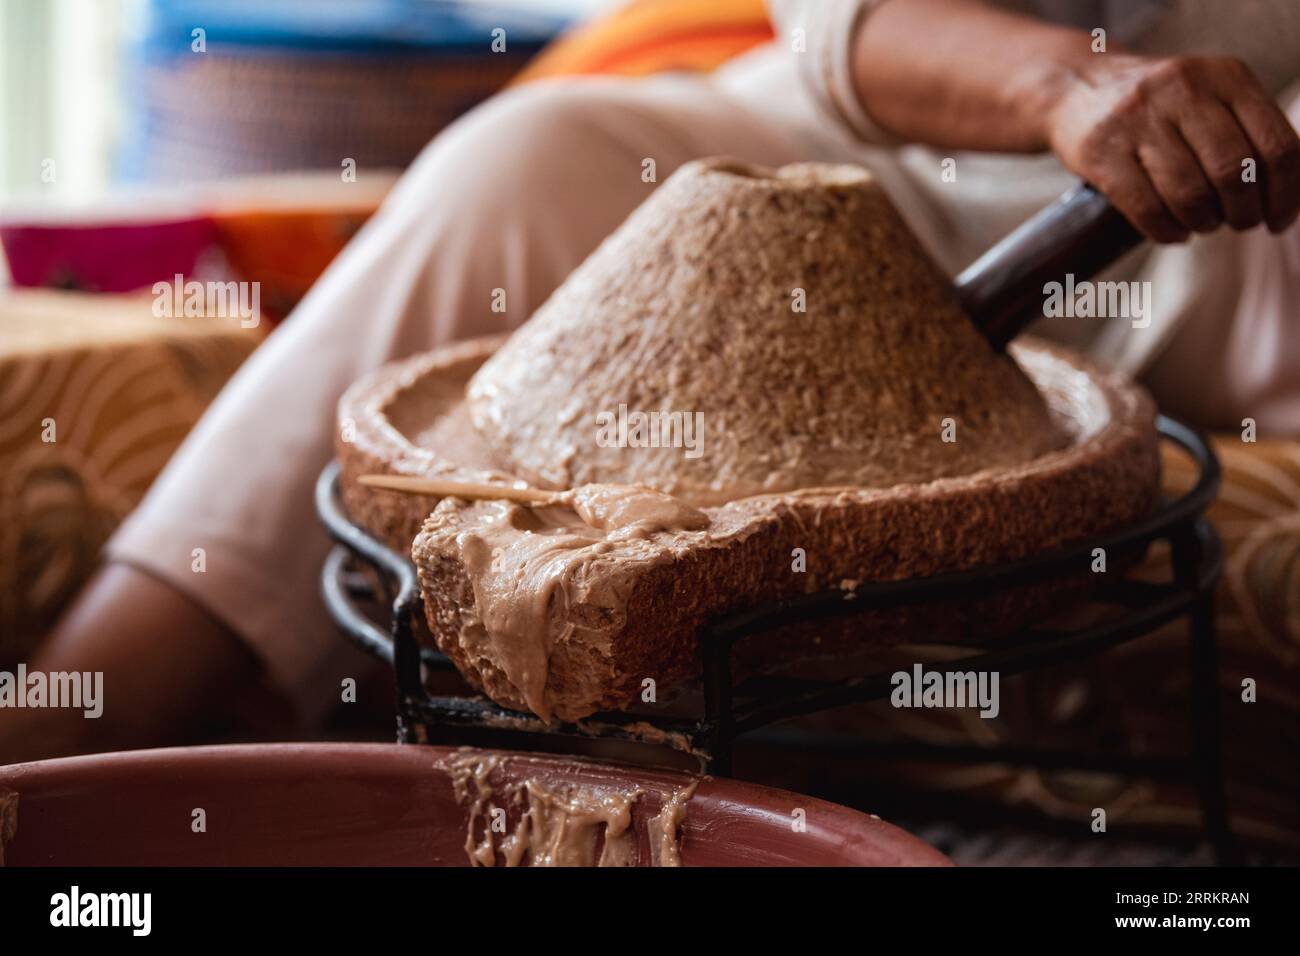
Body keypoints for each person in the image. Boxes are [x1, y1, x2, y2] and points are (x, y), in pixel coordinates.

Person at [4, 0, 1298, 764]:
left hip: (1259, 201)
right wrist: (1072, 83)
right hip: (891, 143)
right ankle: (63, 737)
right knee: (523, 162)